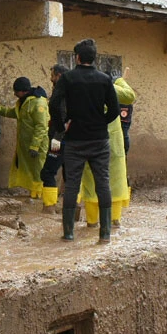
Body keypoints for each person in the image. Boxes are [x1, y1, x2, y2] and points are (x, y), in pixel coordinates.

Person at [51, 39, 120, 244]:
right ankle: (105, 233)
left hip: (75, 140)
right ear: (94, 57)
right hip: (99, 140)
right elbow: (115, 110)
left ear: (77, 57)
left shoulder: (68, 78)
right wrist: (100, 122)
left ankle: (69, 233)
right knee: (103, 183)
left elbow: (54, 103)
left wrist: (62, 126)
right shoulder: (104, 79)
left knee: (72, 184)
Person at [79, 72, 137, 229]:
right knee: (116, 181)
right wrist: (120, 81)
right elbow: (130, 96)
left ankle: (92, 222)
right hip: (113, 145)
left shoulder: (82, 88)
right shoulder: (109, 88)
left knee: (91, 181)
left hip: (90, 141)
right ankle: (114, 221)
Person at [0, 76, 50, 198]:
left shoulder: (38, 103)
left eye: (16, 91)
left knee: (38, 170)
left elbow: (41, 126)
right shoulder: (24, 102)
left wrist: (35, 146)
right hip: (26, 144)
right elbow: (16, 113)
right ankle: (34, 193)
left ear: (23, 91)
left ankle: (40, 195)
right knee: (31, 169)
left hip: (38, 145)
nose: (15, 94)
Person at [38, 64, 70, 212]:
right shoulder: (73, 90)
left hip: (60, 139)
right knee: (70, 173)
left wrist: (57, 137)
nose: (51, 79)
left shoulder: (61, 92)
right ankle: (72, 208)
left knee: (48, 171)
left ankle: (49, 207)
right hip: (72, 139)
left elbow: (62, 116)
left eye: (52, 76)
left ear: (58, 75)